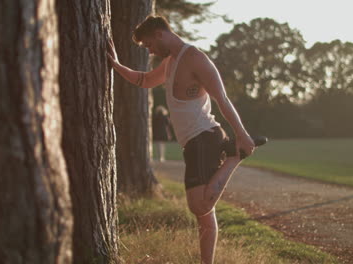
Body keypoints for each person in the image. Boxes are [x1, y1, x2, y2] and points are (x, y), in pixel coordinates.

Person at [107, 15, 256, 264]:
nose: (150, 50)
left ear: (159, 34)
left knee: (199, 206)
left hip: (204, 137)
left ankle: (234, 157)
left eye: (148, 45)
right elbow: (144, 80)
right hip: (192, 143)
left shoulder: (196, 59)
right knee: (205, 216)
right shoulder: (169, 63)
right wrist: (116, 64)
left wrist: (242, 135)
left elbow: (222, 99)